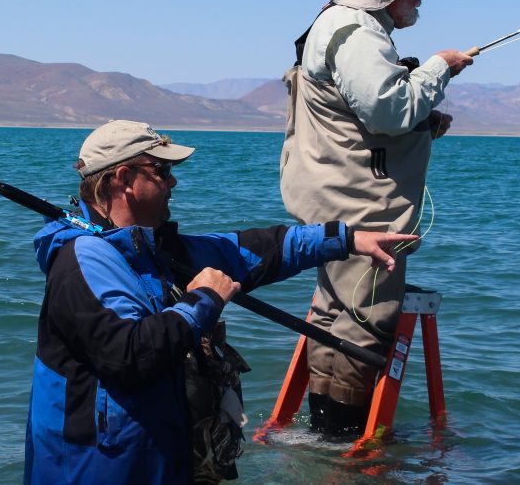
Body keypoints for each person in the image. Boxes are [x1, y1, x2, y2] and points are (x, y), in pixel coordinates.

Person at [24, 120, 417, 484]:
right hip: (95, 469)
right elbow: (128, 355)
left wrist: (348, 240)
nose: (172, 181)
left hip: (156, 463)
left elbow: (260, 249)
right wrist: (203, 301)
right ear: (124, 179)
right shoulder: (83, 259)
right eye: (160, 172)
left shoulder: (153, 249)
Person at [279, 0, 474, 435]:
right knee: (363, 322)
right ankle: (342, 445)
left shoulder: (336, 26)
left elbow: (359, 118)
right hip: (361, 209)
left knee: (335, 315)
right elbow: (387, 110)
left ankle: (323, 436)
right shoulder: (357, 31)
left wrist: (422, 121)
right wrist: (439, 68)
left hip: (335, 202)